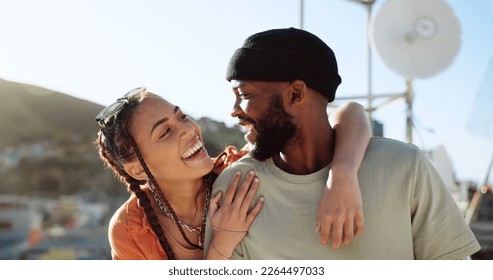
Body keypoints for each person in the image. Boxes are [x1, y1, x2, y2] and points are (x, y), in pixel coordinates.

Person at [204, 27, 481, 260]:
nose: (234, 110)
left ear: (296, 94)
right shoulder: (236, 188)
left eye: (244, 94)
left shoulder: (404, 167)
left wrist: (343, 172)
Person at [95, 87, 371, 260]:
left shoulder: (239, 171)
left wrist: (343, 173)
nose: (189, 129)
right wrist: (221, 245)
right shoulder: (131, 229)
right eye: (165, 131)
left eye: (181, 116)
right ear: (137, 169)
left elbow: (350, 112)